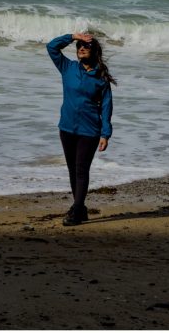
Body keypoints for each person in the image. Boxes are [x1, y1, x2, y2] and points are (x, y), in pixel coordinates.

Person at [46, 32, 115, 226]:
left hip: (89, 131)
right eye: (79, 47)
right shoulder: (67, 67)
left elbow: (107, 106)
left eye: (86, 46)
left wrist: (105, 133)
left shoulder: (101, 78)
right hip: (66, 128)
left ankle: (76, 210)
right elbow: (51, 46)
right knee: (72, 170)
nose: (81, 49)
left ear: (94, 51)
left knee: (81, 170)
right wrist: (73, 36)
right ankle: (80, 208)